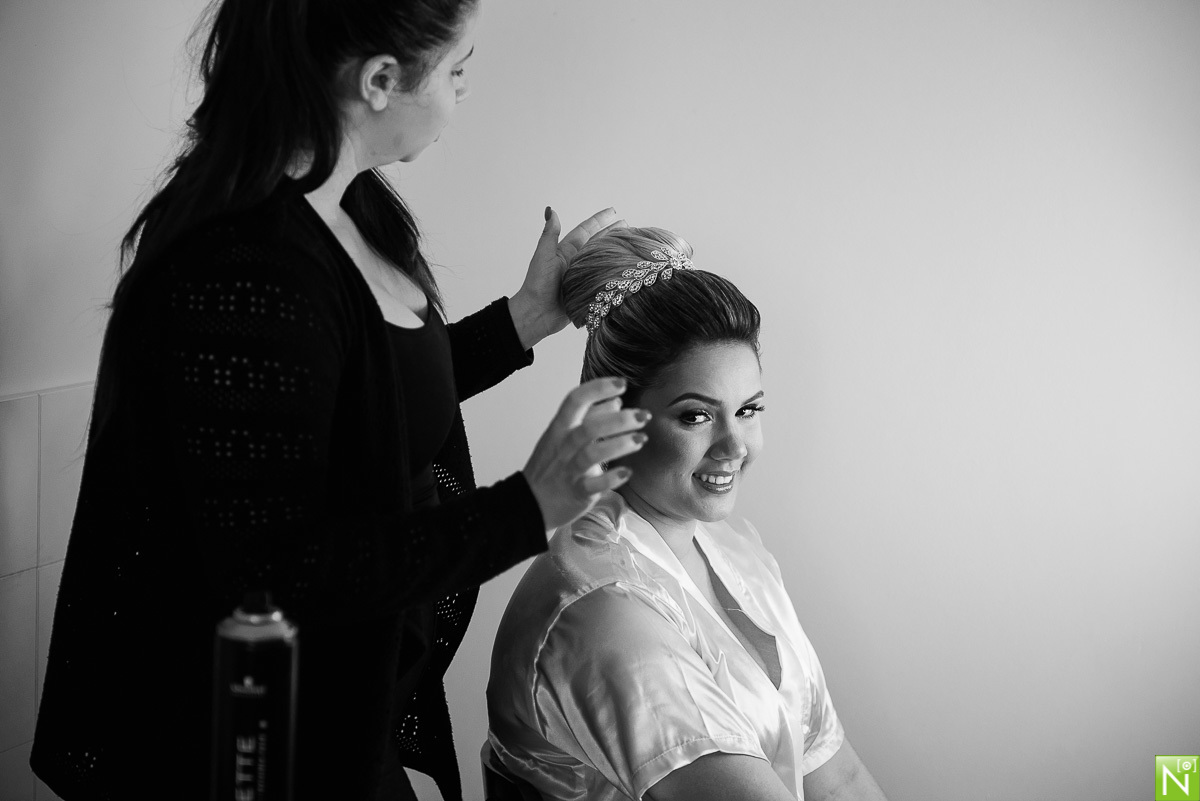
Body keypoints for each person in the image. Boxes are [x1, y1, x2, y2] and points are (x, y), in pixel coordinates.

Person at [30, 2, 650, 800]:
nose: (465, 93)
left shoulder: (346, 208)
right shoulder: (247, 267)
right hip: (254, 749)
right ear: (382, 80)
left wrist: (527, 318)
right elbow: (277, 571)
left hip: (341, 718)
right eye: (457, 71)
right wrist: (527, 506)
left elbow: (360, 408)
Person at [485, 228, 889, 801]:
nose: (735, 446)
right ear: (613, 415)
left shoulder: (733, 547)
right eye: (696, 416)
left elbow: (838, 775)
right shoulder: (601, 608)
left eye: (748, 410)